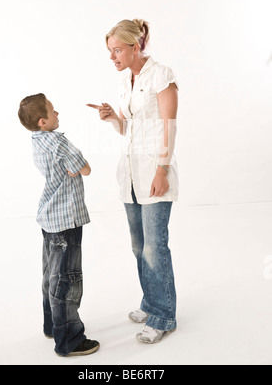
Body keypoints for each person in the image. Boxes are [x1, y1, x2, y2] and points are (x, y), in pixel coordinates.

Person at [87, 19, 179, 344]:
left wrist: (162, 170)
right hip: (129, 175)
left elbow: (168, 126)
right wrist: (115, 118)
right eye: (109, 52)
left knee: (155, 248)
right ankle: (151, 303)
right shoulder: (126, 82)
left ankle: (164, 315)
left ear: (134, 46)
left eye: (116, 50)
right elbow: (132, 128)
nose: (112, 57)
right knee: (139, 247)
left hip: (154, 173)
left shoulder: (161, 75)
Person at [18, 93, 99, 357]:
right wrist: (77, 166)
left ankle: (53, 325)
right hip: (66, 220)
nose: (58, 113)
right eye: (53, 112)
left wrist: (71, 166)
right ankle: (69, 340)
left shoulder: (37, 140)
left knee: (51, 276)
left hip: (49, 218)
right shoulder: (58, 142)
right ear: (43, 121)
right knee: (67, 280)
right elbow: (85, 168)